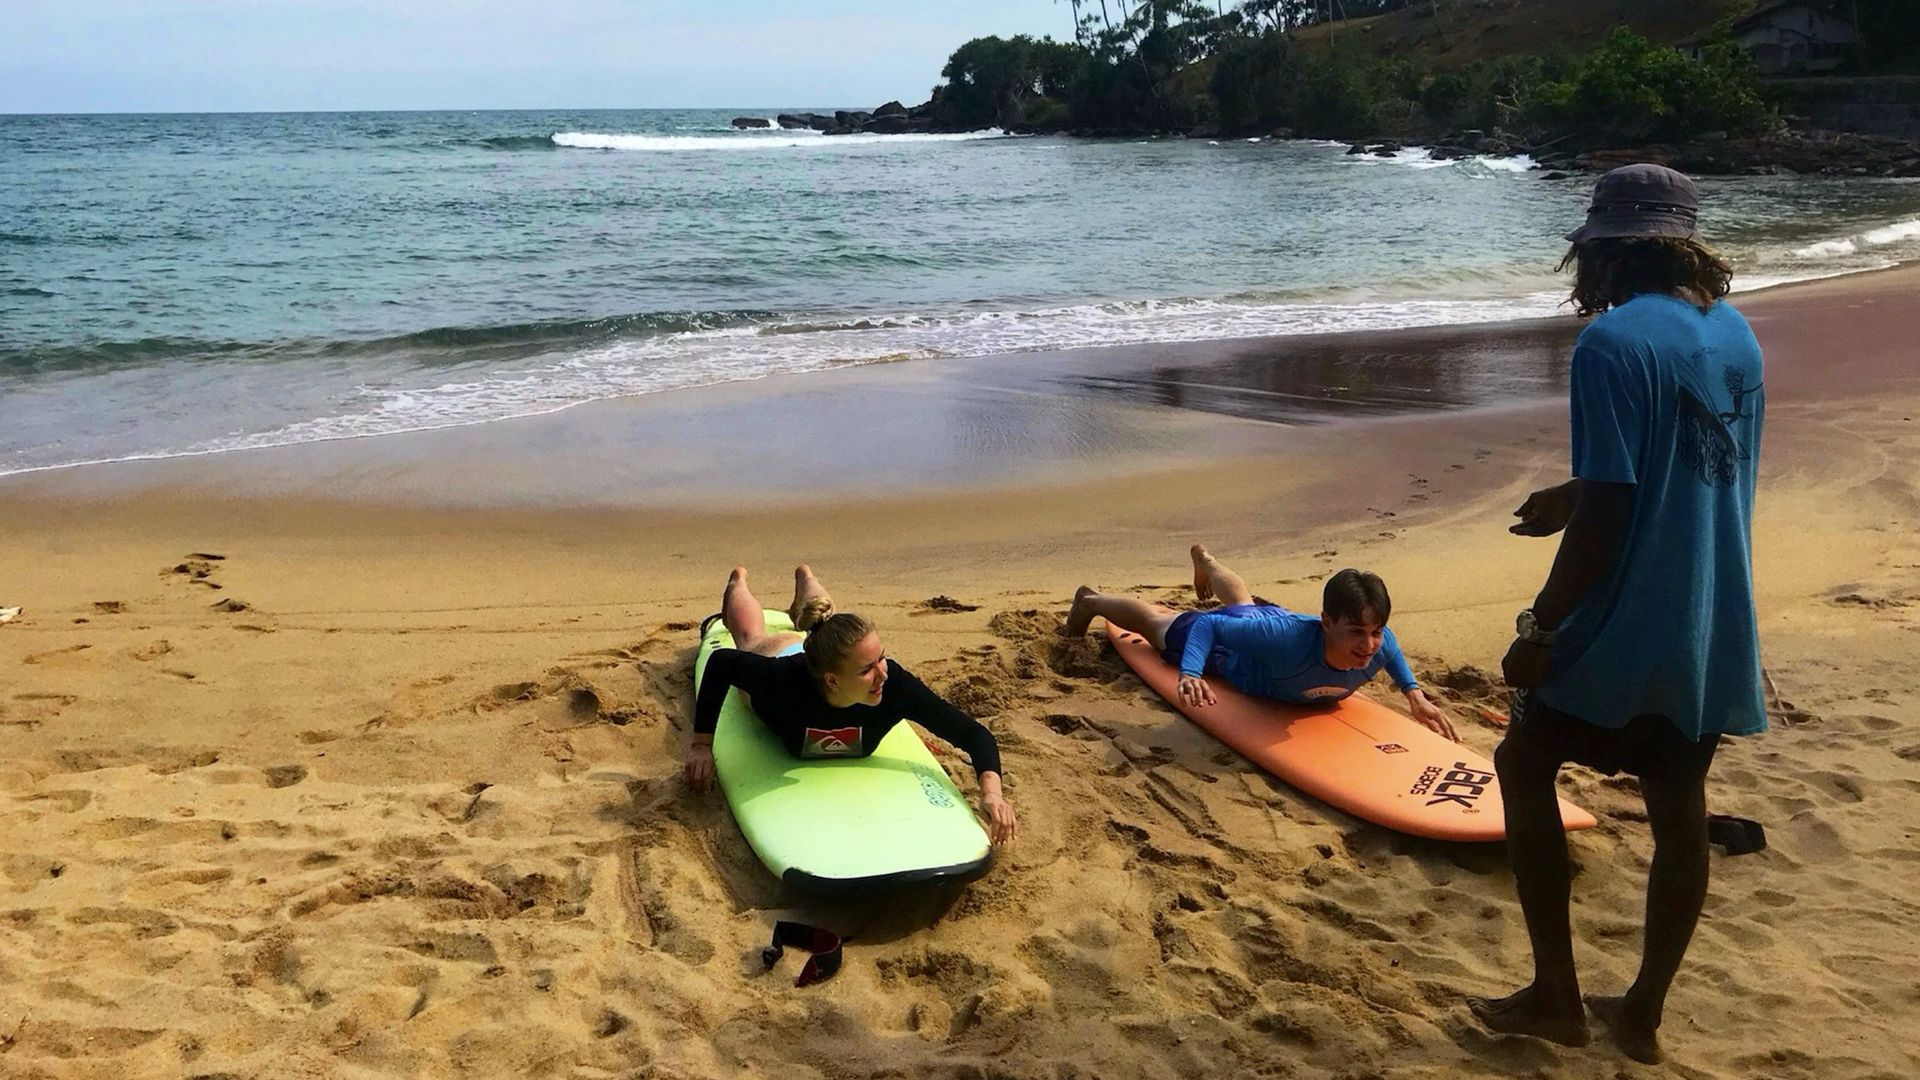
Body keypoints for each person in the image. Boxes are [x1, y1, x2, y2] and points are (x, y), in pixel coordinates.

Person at [1468, 163, 1767, 1065]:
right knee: (1679, 804)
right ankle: (1641, 1014)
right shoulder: (1735, 331)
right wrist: (1576, 491)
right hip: (1709, 619)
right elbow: (1690, 452)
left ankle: (1557, 997)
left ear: (1607, 253)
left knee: (1523, 761)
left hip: (1625, 620)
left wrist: (1541, 627)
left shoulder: (1609, 344)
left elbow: (1612, 514)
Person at [684, 564, 1018, 845]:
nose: (882, 674)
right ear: (832, 681)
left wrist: (991, 793)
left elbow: (973, 734)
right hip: (782, 656)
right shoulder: (783, 681)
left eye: (881, 658)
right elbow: (721, 664)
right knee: (750, 640)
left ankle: (806, 580)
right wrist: (701, 745)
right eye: (867, 670)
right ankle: (739, 581)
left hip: (828, 659)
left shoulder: (894, 687)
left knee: (826, 622)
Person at [1060, 544, 1456, 741]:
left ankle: (1207, 563)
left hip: (1263, 627)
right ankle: (1089, 601)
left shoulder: (1379, 644)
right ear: (1327, 621)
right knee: (1159, 626)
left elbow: (1392, 647)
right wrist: (1191, 672)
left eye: (1375, 631)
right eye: (1356, 631)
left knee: (1245, 609)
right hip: (1231, 651)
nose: (1368, 645)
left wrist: (1414, 694)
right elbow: (1207, 628)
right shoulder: (1284, 641)